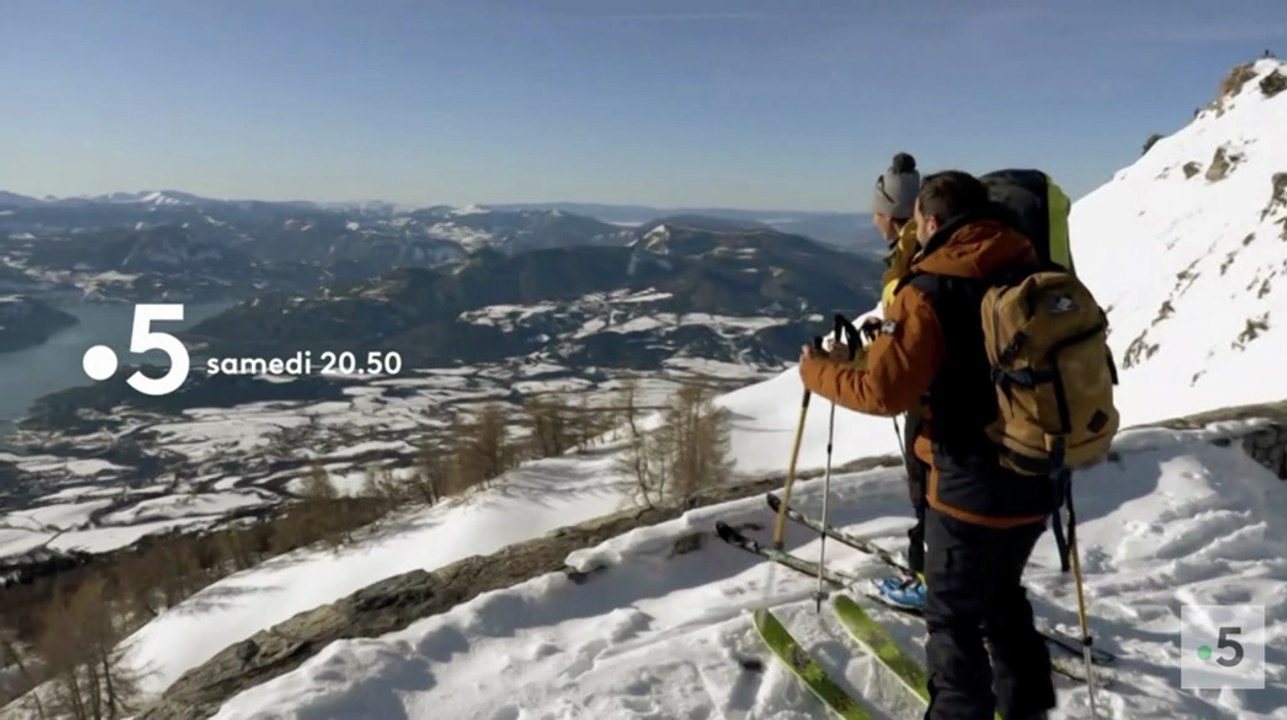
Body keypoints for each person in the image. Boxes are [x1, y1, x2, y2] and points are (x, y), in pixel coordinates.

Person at [798, 170, 1057, 720]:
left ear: (933, 221)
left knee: (954, 621)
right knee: (1002, 599)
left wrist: (818, 373)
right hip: (1040, 472)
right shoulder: (1034, 269)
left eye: (919, 220)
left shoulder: (930, 290)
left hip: (967, 485)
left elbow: (885, 392)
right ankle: (1026, 710)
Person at [864, 152, 930, 610]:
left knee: (927, 486)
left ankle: (928, 579)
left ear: (887, 215)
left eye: (874, 214)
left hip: (933, 396)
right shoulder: (930, 247)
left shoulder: (915, 260)